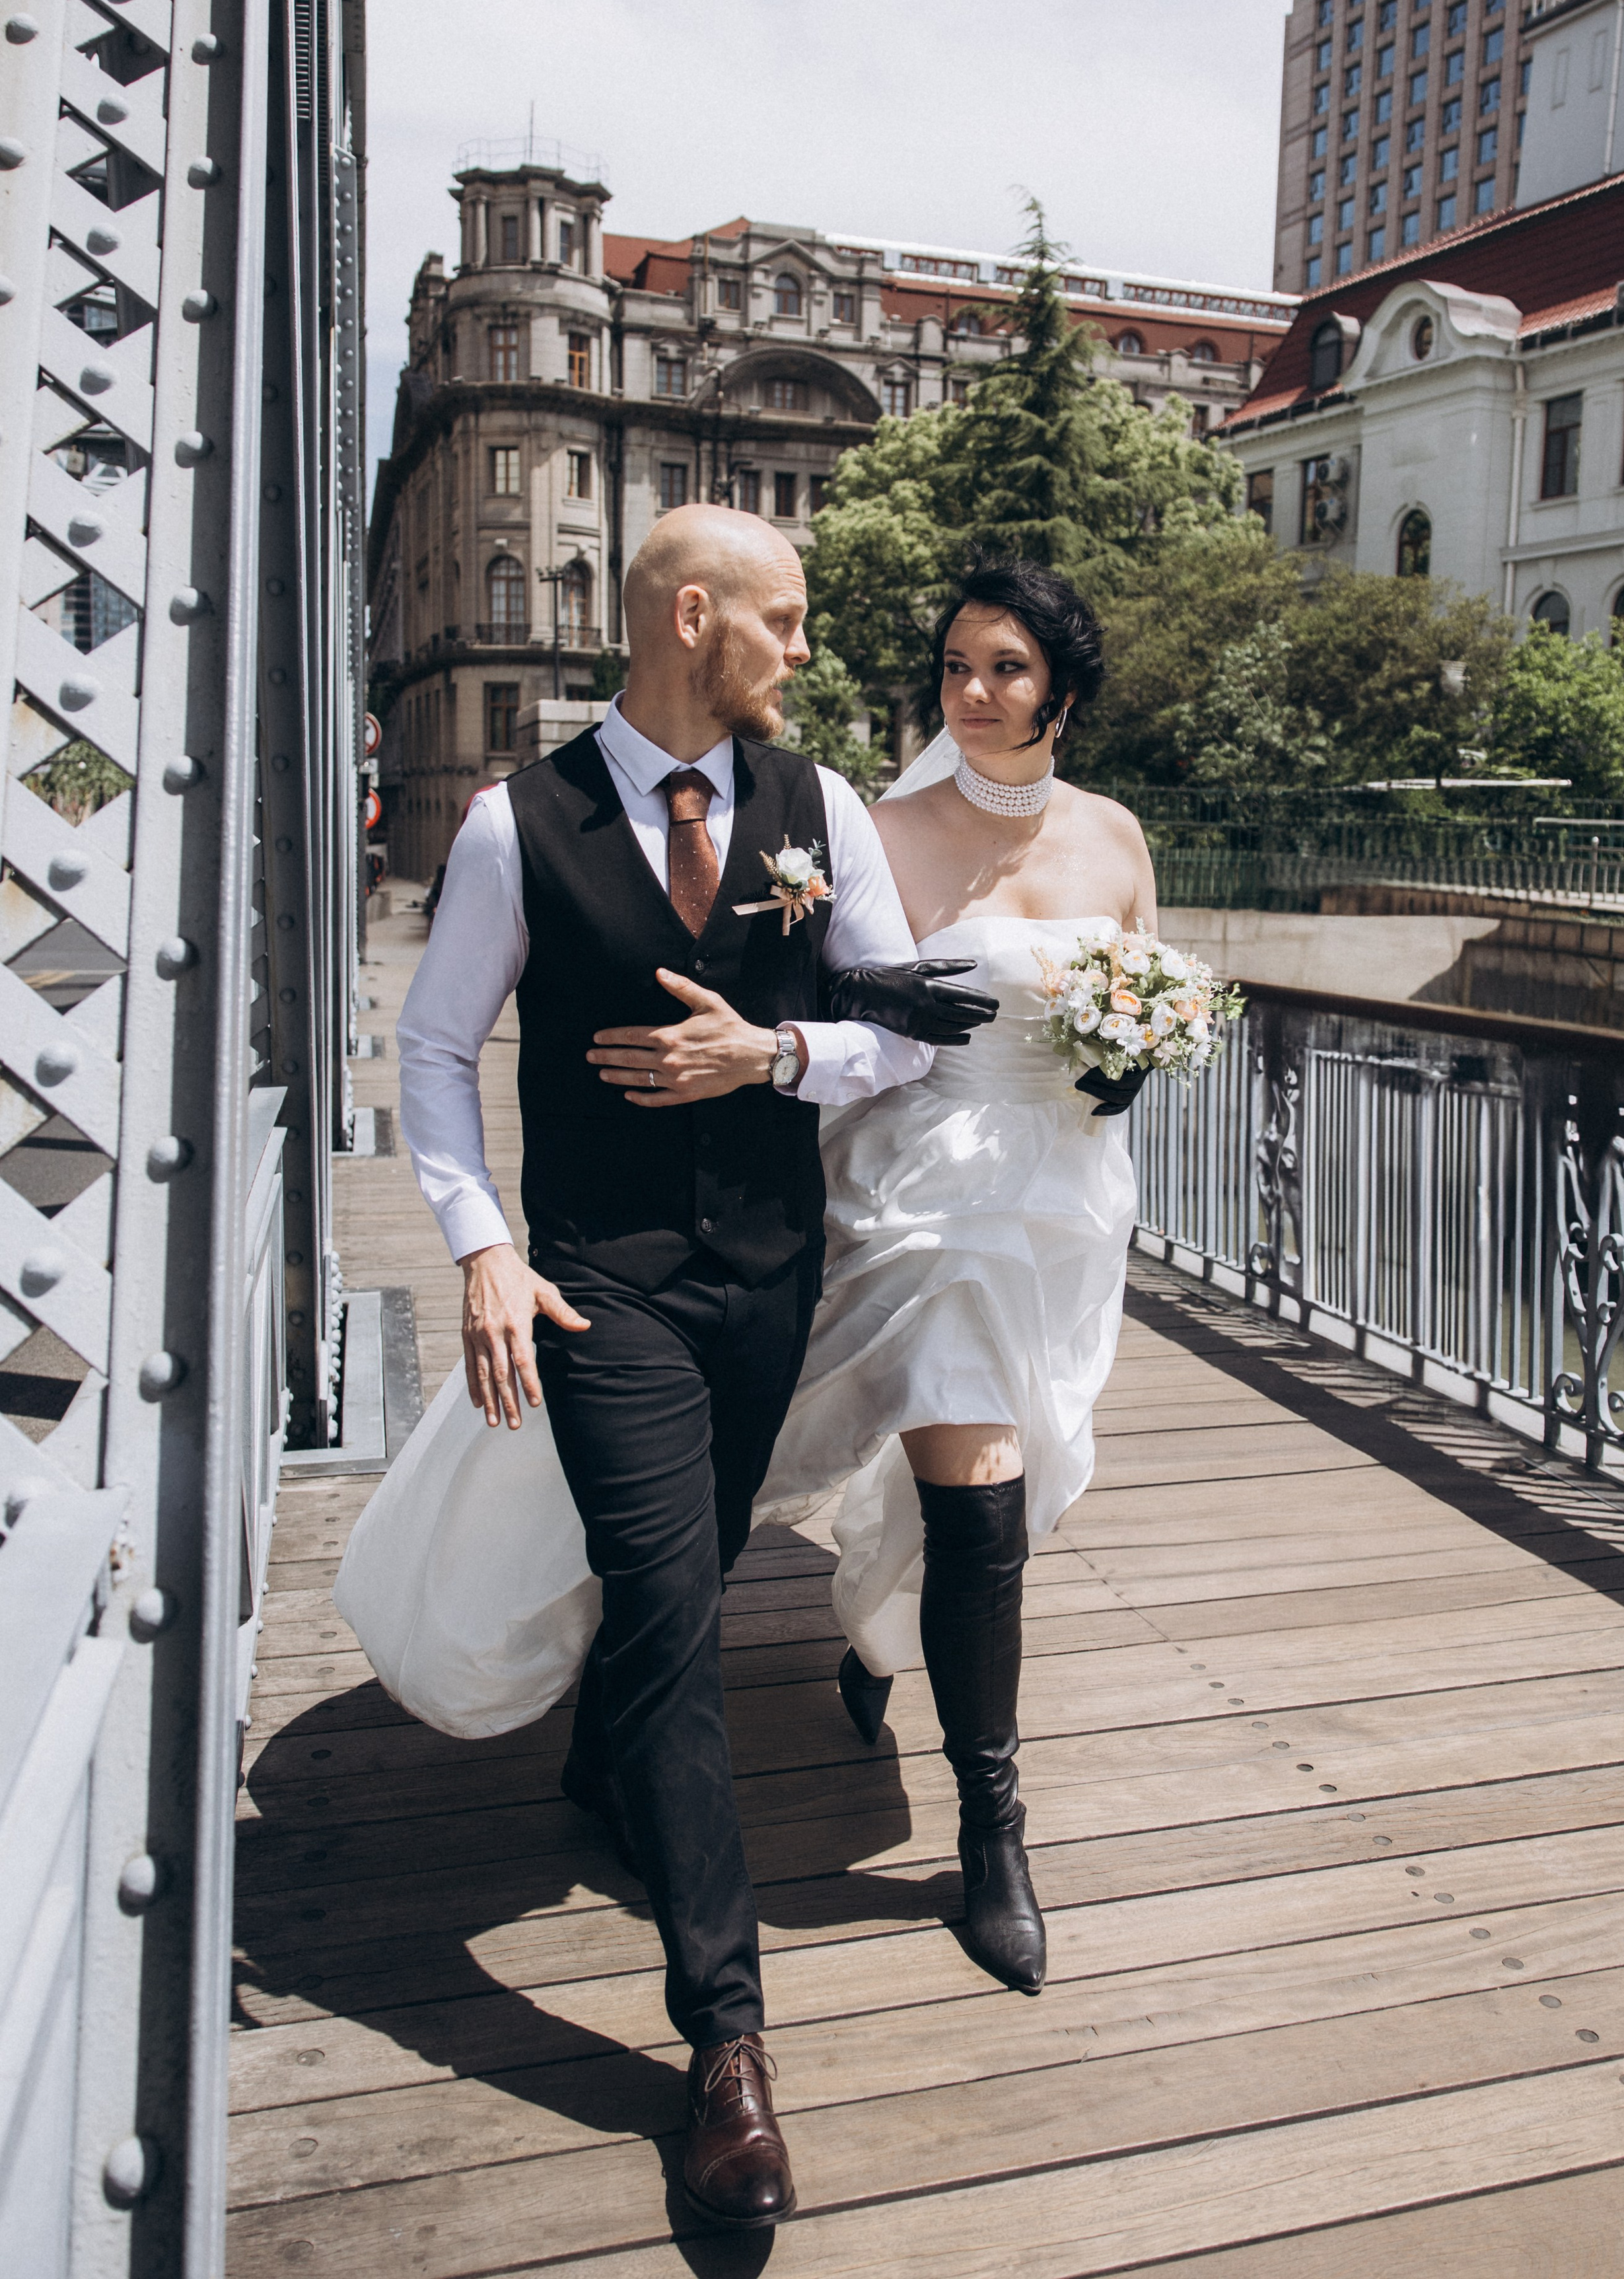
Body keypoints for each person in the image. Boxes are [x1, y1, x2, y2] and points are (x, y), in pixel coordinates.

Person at [389, 504, 994, 2231]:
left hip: (768, 1278)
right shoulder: (518, 824)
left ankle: (605, 1757)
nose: (803, 649)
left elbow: (901, 1031)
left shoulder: (821, 811)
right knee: (672, 1610)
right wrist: (481, 1244)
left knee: (691, 1573)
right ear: (693, 616)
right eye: (783, 621)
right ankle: (726, 2045)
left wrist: (775, 1050)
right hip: (602, 1286)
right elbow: (432, 1049)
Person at [756, 553, 1156, 1998]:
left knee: (1002, 1484)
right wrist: (851, 987)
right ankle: (996, 1834)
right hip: (921, 1188)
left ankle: (875, 1631)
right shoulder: (876, 829)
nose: (972, 693)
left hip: (1061, 1198)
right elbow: (802, 993)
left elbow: (1141, 991)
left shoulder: (1115, 837)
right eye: (954, 667)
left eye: (1005, 668)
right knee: (983, 1506)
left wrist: (1133, 1057)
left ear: (1060, 690)